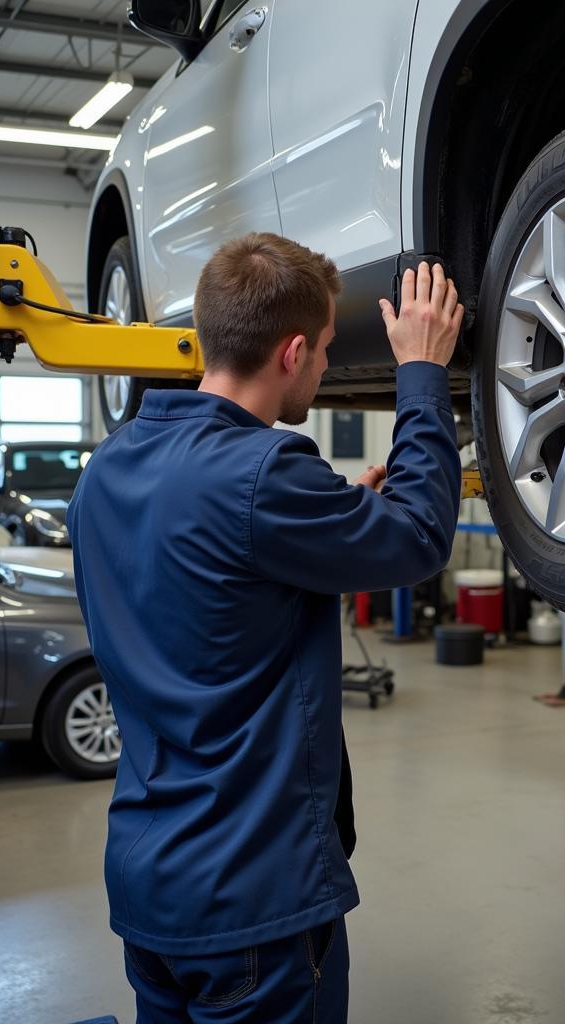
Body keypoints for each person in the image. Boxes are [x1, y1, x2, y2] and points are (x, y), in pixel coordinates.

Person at [67, 233, 464, 1023]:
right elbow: (421, 537)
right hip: (251, 897)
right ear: (289, 352)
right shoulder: (266, 475)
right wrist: (422, 372)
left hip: (151, 887)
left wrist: (338, 512)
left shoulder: (105, 473)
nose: (324, 367)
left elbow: (212, 582)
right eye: (320, 350)